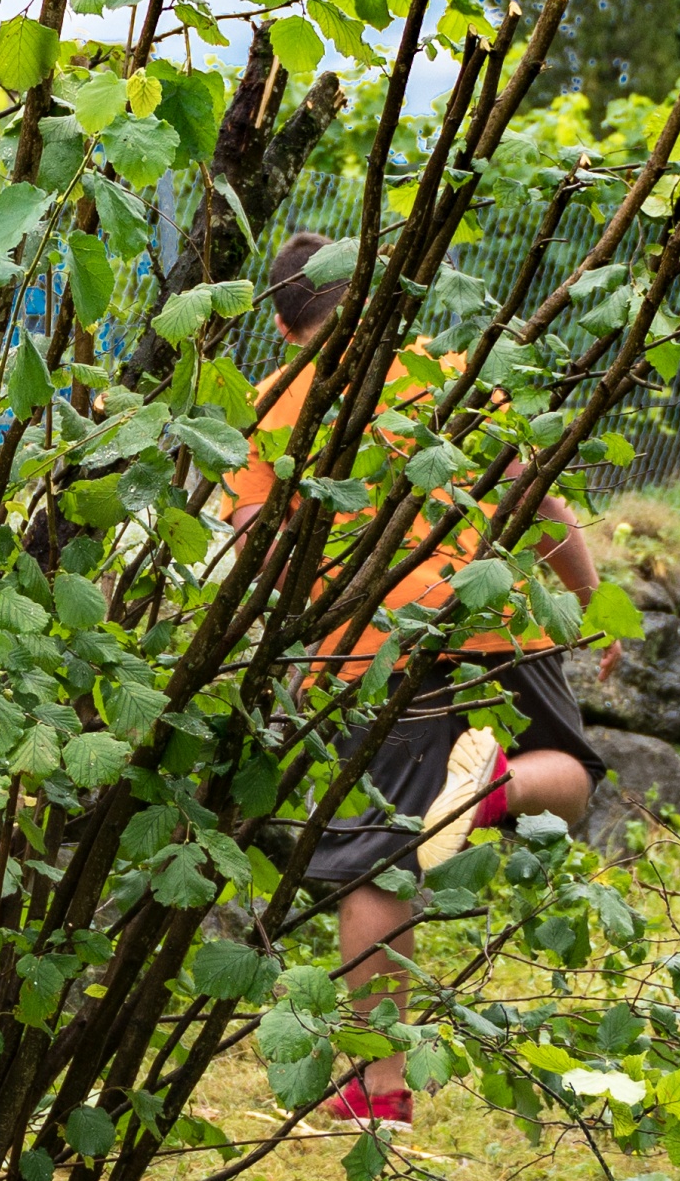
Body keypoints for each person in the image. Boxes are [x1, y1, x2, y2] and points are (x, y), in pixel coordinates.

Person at [220, 252, 604, 1126]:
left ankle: (378, 1089)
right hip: (498, 616)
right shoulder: (451, 371)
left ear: (282, 324)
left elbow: (254, 540)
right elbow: (532, 491)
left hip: (379, 649)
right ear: (385, 295)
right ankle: (497, 784)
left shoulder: (273, 401)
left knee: (376, 858)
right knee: (573, 777)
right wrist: (585, 601)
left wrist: (322, 621)